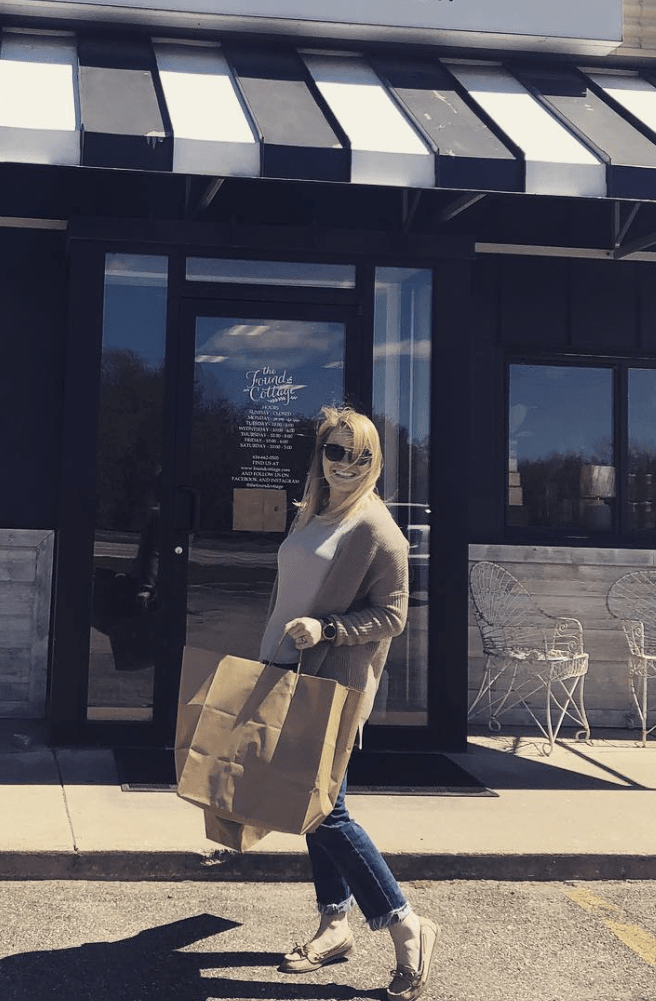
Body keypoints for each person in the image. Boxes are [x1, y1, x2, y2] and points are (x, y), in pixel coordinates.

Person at [260, 404, 439, 1001]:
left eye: (360, 456)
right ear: (321, 453)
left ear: (374, 463)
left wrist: (329, 630)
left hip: (330, 684)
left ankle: (406, 924)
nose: (346, 464)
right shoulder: (312, 512)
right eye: (336, 451)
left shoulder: (377, 530)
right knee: (317, 803)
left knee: (324, 810)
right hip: (285, 671)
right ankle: (335, 925)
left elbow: (393, 614)